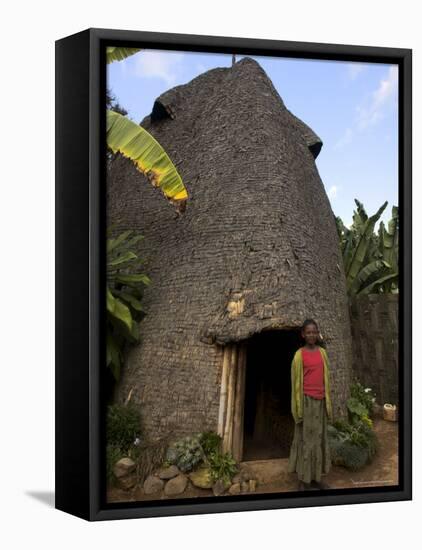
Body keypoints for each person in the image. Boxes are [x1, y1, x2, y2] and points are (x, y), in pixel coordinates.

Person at [287, 318, 333, 491]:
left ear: (317, 333)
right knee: (305, 441)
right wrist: (297, 407)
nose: (312, 335)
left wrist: (326, 400)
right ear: (303, 335)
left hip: (320, 402)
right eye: (308, 332)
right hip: (306, 402)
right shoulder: (299, 355)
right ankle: (303, 480)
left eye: (314, 332)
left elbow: (327, 378)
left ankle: (316, 478)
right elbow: (295, 383)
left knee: (319, 439)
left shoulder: (322, 353)